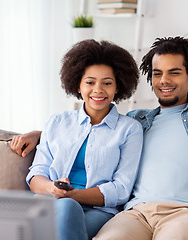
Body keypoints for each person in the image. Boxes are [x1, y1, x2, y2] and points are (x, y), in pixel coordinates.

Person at [12, 37, 188, 239]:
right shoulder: (138, 120)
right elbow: (94, 123)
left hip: (187, 212)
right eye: (157, 74)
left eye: (174, 72)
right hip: (136, 213)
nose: (164, 80)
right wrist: (41, 134)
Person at [11, 39, 143, 240]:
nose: (98, 90)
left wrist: (73, 196)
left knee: (66, 211)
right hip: (50, 204)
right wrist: (53, 189)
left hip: (99, 211)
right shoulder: (57, 122)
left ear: (117, 87)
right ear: (78, 86)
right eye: (90, 82)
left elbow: (121, 189)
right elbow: (37, 173)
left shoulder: (130, 129)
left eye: (107, 83)